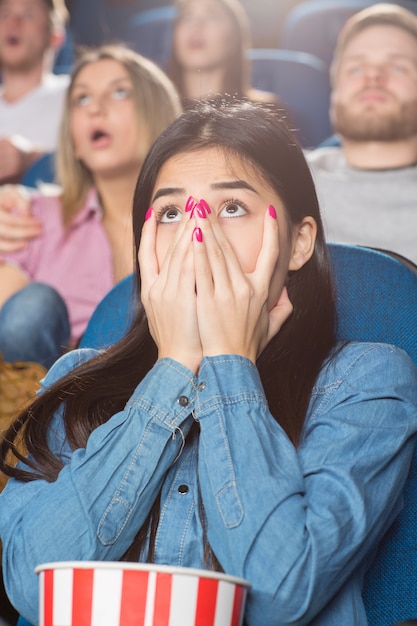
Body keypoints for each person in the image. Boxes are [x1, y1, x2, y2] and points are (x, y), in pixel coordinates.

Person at [1, 100, 417, 626]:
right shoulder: (73, 379)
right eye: (172, 213)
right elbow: (33, 589)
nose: (199, 240)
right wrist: (175, 367)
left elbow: (278, 590)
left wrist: (228, 362)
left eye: (233, 208)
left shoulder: (366, 381)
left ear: (299, 242)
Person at [0, 44, 181, 368]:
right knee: (31, 308)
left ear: (156, 111)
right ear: (74, 141)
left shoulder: (194, 220)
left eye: (119, 92)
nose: (95, 109)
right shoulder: (34, 215)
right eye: (82, 99)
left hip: (158, 394)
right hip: (49, 400)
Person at [306, 3, 417, 265]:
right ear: (334, 94)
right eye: (356, 68)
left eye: (398, 67)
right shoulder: (280, 177)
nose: (373, 77)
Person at [0, 0, 70, 185]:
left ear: (55, 36)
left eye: (28, 14)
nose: (13, 23)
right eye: (5, 14)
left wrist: (32, 160)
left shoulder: (74, 94)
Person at [168, 0, 280, 108]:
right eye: (187, 17)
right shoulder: (155, 108)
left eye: (212, 16)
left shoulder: (265, 111)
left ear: (235, 38)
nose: (196, 25)